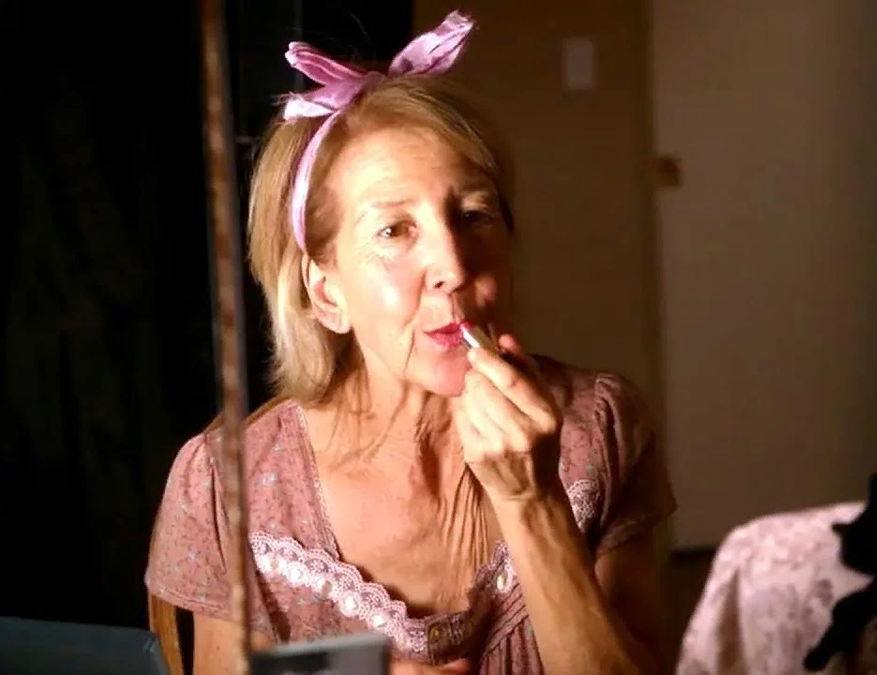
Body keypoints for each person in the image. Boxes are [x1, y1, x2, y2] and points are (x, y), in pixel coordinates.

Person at [144, 11, 676, 675]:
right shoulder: (226, 488)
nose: (454, 264)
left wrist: (533, 505)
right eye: (394, 230)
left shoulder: (601, 427)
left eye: (475, 215)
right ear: (326, 293)